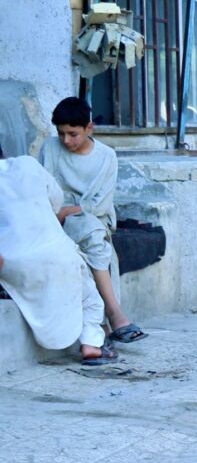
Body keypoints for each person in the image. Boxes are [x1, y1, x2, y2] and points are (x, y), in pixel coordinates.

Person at [39, 97, 146, 344]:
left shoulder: (107, 156)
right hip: (57, 220)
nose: (66, 140)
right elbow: (41, 188)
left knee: (91, 233)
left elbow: (98, 205)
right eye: (61, 133)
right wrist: (60, 213)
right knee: (90, 243)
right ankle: (113, 314)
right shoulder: (50, 148)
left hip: (93, 220)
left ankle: (104, 321)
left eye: (72, 134)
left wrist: (66, 211)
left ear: (89, 128)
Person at [0, 145, 113, 364]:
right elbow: (56, 200)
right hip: (57, 253)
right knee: (90, 298)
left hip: (12, 264)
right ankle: (91, 344)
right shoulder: (28, 164)